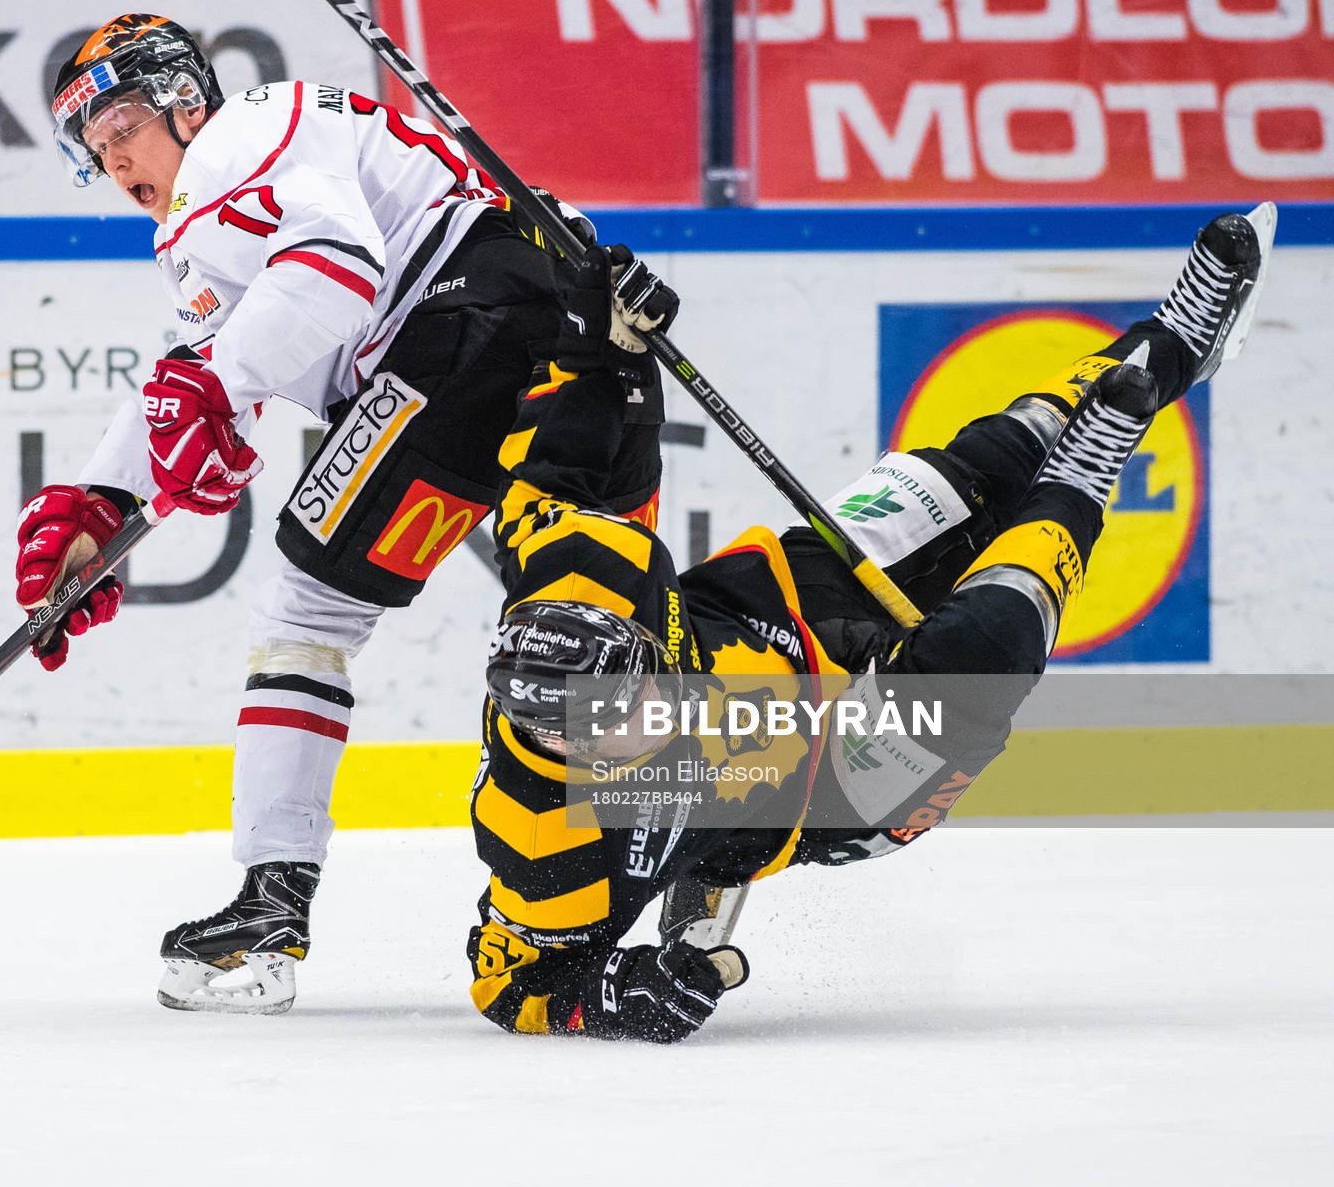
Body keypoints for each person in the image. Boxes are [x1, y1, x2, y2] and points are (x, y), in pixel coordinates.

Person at [468, 205, 1275, 1041]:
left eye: (645, 687)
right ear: (565, 747)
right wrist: (611, 993)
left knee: (993, 459)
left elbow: (568, 463)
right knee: (988, 642)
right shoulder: (544, 837)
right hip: (816, 791)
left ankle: (1171, 346)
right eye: (621, 728)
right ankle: (1103, 452)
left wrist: (610, 346)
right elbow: (509, 986)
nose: (653, 713)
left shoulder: (580, 566)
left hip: (775, 609)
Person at [11, 13, 677, 1013]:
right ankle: (691, 839)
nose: (116, 165)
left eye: (123, 133)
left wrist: (224, 390)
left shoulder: (233, 144)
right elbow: (199, 360)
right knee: (590, 623)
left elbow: (337, 265)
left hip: (457, 332)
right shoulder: (272, 155)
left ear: (185, 101)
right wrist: (99, 504)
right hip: (572, 330)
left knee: (305, 617)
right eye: (96, 151)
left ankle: (272, 903)